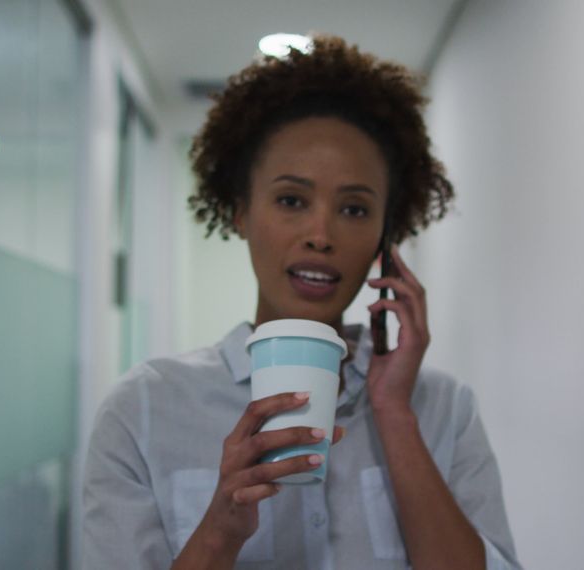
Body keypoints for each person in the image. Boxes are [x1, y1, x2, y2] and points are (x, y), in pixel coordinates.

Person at [83, 35, 521, 569]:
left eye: (355, 210)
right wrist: (220, 530)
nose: (321, 234)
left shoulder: (444, 410)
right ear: (240, 211)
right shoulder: (144, 410)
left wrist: (393, 412)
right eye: (291, 200)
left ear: (388, 233)